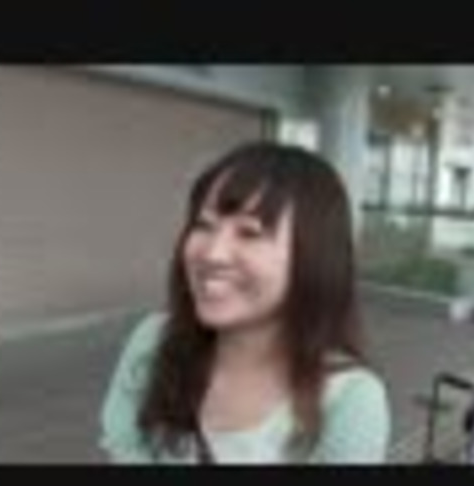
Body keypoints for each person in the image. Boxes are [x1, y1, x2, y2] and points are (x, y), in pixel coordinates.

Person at [98, 142, 390, 464]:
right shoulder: (154, 342)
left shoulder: (349, 401)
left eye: (249, 233)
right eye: (204, 225)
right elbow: (123, 447)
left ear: (313, 256)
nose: (213, 254)